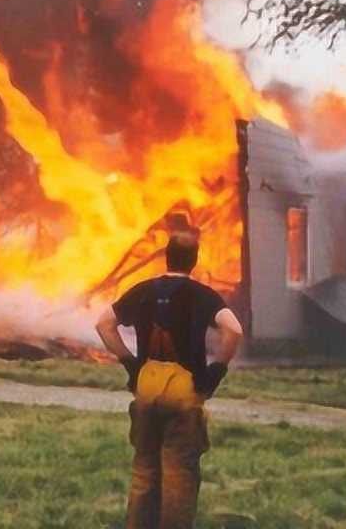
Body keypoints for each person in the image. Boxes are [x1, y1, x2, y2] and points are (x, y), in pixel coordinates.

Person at [95, 227, 244, 529]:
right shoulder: (202, 295)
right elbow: (234, 330)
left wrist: (129, 361)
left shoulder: (143, 290)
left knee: (144, 471)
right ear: (194, 260)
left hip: (146, 386)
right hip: (184, 388)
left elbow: (104, 324)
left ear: (166, 257)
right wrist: (217, 369)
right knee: (179, 474)